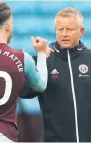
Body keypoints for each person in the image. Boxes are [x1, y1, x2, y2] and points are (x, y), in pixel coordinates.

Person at [0, 2, 49, 143]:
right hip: (2, 134)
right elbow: (41, 85)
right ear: (8, 26)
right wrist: (41, 54)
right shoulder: (22, 58)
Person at [20, 7, 91, 142]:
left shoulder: (89, 58)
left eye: (69, 29)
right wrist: (25, 60)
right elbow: (24, 92)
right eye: (60, 29)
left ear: (81, 32)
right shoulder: (44, 59)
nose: (64, 34)